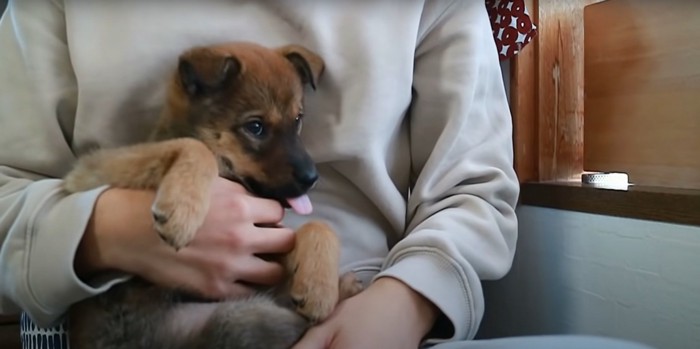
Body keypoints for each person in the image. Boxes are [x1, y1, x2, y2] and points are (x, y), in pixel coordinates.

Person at [0, 1, 653, 348]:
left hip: (356, 314)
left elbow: (474, 189)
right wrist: (110, 230)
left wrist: (407, 302)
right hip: (125, 313)